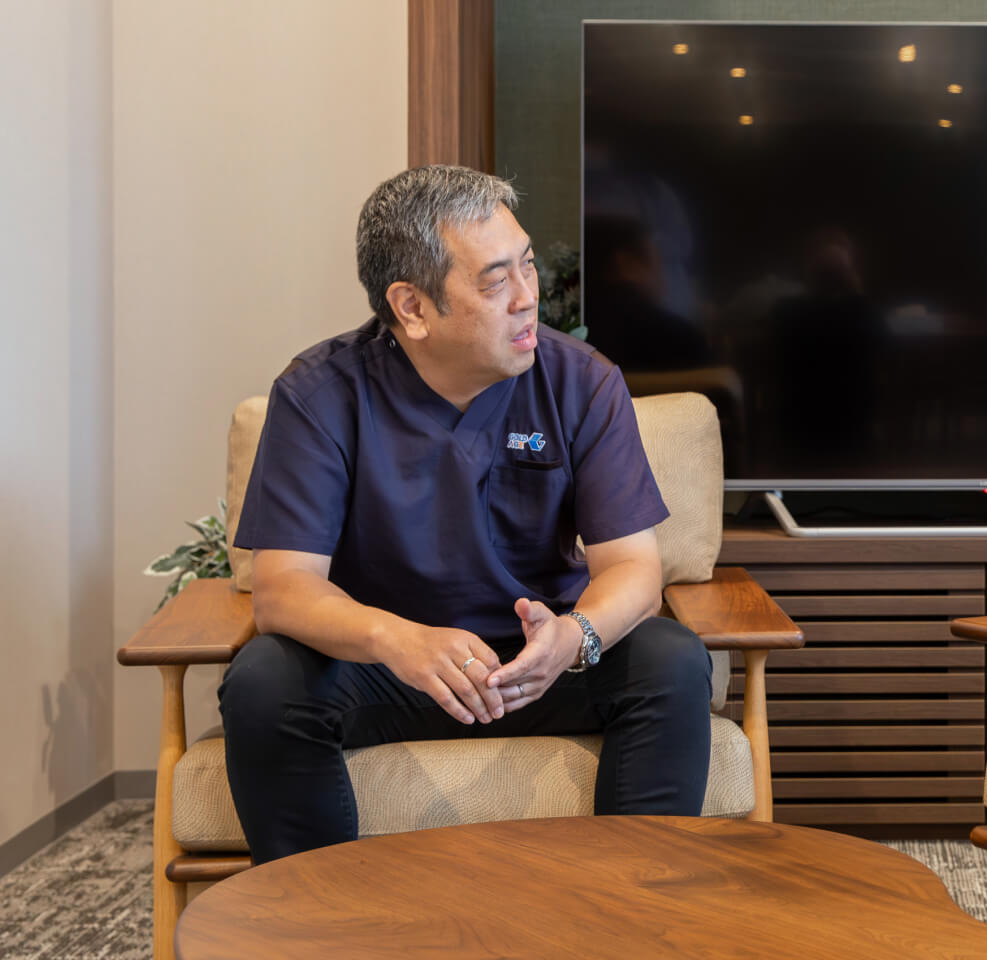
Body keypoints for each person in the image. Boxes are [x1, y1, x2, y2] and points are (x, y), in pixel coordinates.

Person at [218, 165, 713, 862]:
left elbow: (633, 566)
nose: (528, 297)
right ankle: (318, 913)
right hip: (386, 666)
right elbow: (282, 589)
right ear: (412, 307)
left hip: (538, 665)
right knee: (265, 681)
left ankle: (630, 906)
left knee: (671, 658)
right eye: (495, 280)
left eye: (528, 265)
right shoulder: (320, 395)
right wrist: (397, 640)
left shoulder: (581, 381)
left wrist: (574, 637)